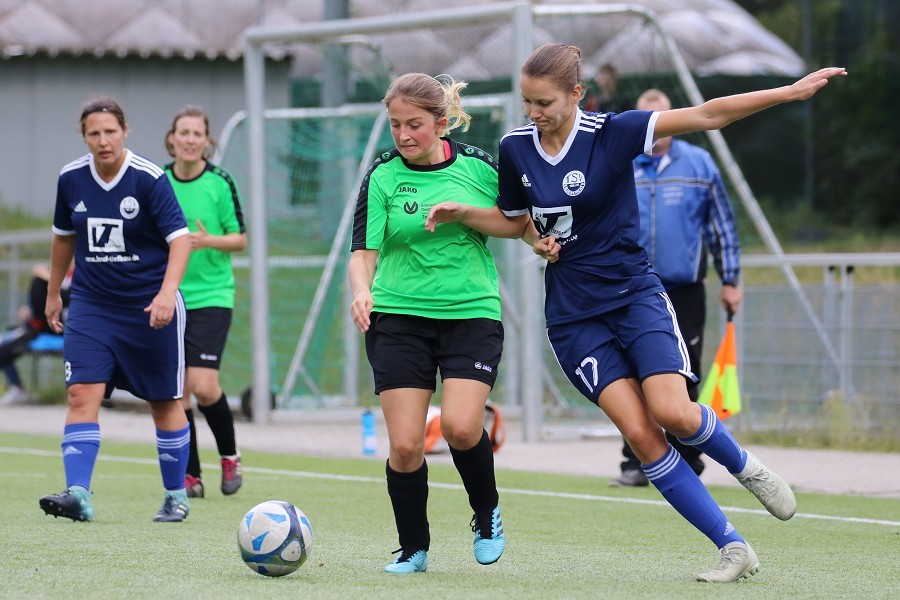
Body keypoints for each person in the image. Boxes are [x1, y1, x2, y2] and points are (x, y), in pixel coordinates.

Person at [425, 43, 846, 583]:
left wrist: (788, 92)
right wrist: (470, 215)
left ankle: (745, 467)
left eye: (545, 102)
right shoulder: (515, 148)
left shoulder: (613, 132)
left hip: (633, 295)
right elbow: (515, 221)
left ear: (577, 95)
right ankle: (733, 547)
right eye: (528, 102)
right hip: (574, 317)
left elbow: (708, 113)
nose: (534, 112)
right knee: (643, 437)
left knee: (672, 412)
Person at [348, 72, 538, 574]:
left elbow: (517, 223)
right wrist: (362, 291)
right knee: (407, 445)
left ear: (441, 121)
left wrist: (464, 214)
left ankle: (486, 511)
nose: (404, 135)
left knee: (459, 426)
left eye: (414, 125)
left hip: (470, 314)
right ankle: (413, 547)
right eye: (395, 126)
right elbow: (363, 253)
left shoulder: (478, 167)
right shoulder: (383, 176)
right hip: (398, 318)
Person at [38, 95, 193, 523]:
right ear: (83, 136)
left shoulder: (148, 178)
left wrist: (166, 293)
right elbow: (63, 237)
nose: (103, 140)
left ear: (125, 131)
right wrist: (54, 293)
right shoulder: (70, 178)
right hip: (92, 306)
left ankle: (176, 495)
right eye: (94, 133)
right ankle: (78, 495)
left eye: (110, 131)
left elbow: (180, 240)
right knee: (79, 394)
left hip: (148, 306)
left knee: (162, 401)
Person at [610, 88, 744, 487]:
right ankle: (636, 462)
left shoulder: (699, 164)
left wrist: (731, 279)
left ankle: (687, 460)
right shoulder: (619, 162)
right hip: (629, 289)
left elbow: (721, 226)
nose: (657, 129)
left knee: (684, 373)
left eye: (663, 119)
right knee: (629, 374)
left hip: (683, 290)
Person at [163, 105, 247, 499]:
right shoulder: (157, 182)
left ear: (207, 142)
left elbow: (240, 239)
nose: (191, 139)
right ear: (172, 139)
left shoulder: (220, 182)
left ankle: (229, 456)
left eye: (198, 133)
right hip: (170, 297)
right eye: (184, 132)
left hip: (213, 295)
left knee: (204, 385)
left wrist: (207, 240)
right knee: (176, 392)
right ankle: (190, 475)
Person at [0, 264, 72, 405]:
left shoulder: (76, 280)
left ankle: (18, 390)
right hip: (35, 326)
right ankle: (17, 389)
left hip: (55, 329)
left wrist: (46, 276)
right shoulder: (58, 278)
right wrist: (28, 310)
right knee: (4, 341)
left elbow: (67, 297)